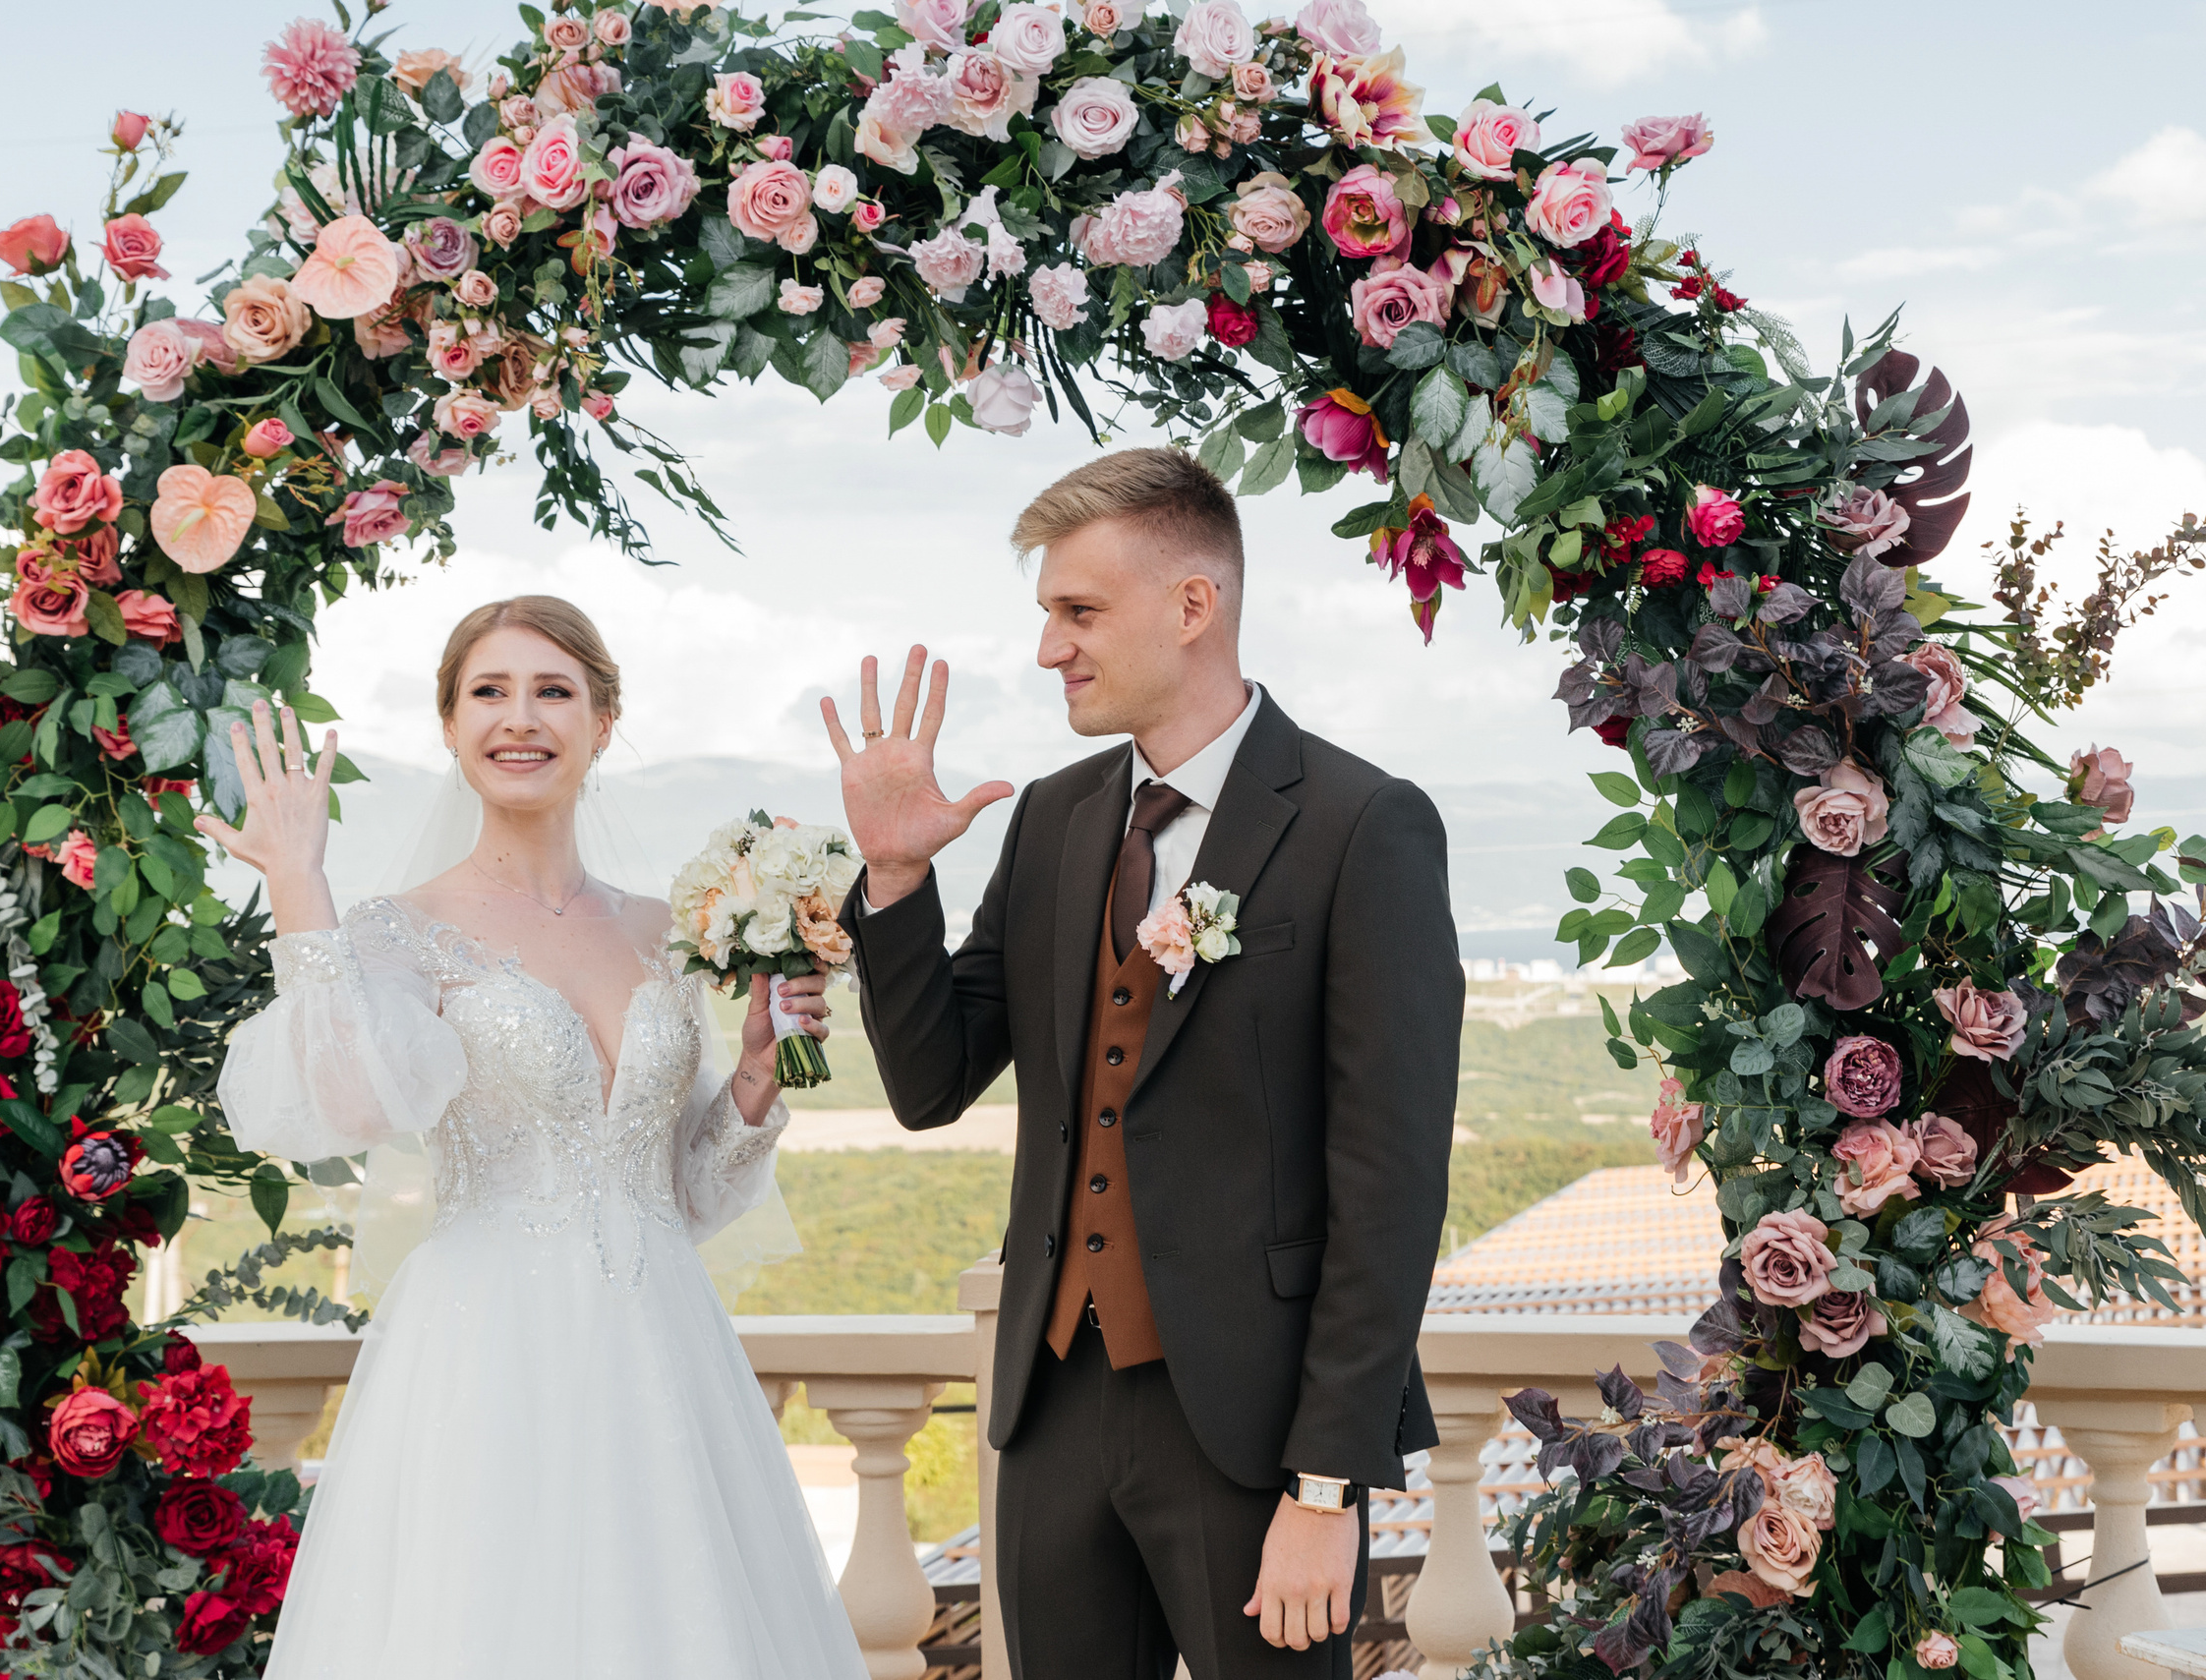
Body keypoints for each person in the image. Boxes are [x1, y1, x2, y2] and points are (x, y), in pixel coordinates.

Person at [826, 448, 1462, 1679]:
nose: (1050, 648)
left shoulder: (1359, 822)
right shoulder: (1055, 816)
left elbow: (1389, 1189)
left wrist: (1325, 1488)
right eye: (1046, 615)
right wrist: (898, 880)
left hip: (1256, 1431)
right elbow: (930, 1081)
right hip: (1051, 1405)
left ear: (1191, 605)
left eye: (1078, 611)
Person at [201, 596, 864, 1679]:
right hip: (485, 1348)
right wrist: (297, 885)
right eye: (489, 692)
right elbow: (351, 1102)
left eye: (552, 690)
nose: (521, 718)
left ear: (603, 720)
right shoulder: (399, 928)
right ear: (452, 726)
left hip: (661, 1347)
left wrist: (753, 1072)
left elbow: (688, 1191)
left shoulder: (664, 930)